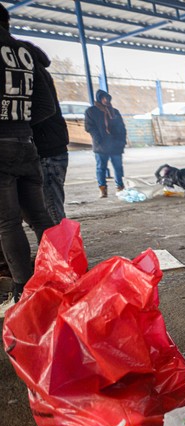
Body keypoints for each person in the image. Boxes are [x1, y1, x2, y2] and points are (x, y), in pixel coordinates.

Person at [0, 7, 57, 314]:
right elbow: (47, 105)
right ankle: (62, 272)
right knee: (39, 216)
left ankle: (25, 289)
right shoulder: (24, 52)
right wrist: (18, 122)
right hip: (25, 143)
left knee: (7, 223)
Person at [18, 34, 68, 224]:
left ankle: (60, 253)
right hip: (51, 148)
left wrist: (18, 125)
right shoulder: (37, 72)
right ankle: (55, 250)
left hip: (48, 151)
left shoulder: (34, 73)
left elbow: (46, 108)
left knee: (51, 209)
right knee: (48, 207)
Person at [84, 89, 127, 198]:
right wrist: (98, 139)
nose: (106, 100)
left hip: (115, 145)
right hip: (101, 145)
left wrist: (122, 141)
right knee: (101, 167)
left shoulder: (114, 111)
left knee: (118, 167)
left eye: (107, 98)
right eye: (103, 98)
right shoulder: (91, 111)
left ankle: (120, 187)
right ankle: (103, 189)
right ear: (99, 98)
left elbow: (121, 127)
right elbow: (89, 127)